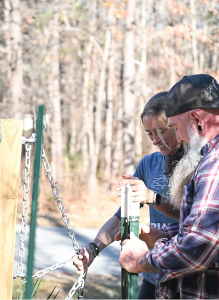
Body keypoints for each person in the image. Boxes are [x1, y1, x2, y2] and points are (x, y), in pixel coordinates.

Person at [118, 74, 219, 298]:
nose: (179, 138)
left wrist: (143, 260)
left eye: (175, 128)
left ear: (197, 119)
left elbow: (200, 246)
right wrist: (163, 234)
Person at [72, 92, 183, 298]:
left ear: (177, 125)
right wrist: (93, 249)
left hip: (186, 274)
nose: (155, 140)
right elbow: (121, 216)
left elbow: (196, 217)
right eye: (150, 133)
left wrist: (153, 197)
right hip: (153, 274)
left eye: (161, 131)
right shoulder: (148, 164)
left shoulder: (198, 163)